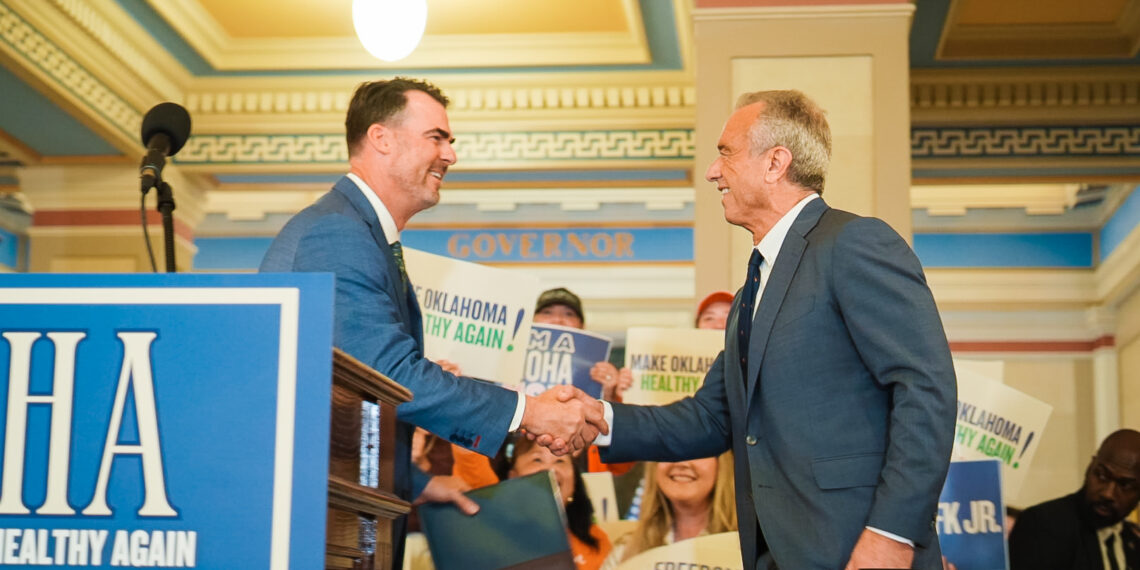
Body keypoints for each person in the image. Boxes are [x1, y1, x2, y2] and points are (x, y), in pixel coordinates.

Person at [585, 90, 957, 569]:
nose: (712, 171)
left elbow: (926, 388)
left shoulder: (855, 243)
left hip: (858, 551)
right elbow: (709, 419)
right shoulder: (749, 294)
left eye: (725, 153)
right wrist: (598, 418)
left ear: (775, 162)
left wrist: (892, 536)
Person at [259, 77, 607, 565]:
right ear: (381, 138)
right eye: (436, 137)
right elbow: (387, 377)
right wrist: (531, 412)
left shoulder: (360, 235)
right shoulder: (340, 233)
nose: (450, 155)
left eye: (450, 141)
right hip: (321, 526)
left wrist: (420, 484)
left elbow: (348, 402)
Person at [1008, 429, 1140, 570]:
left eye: (1125, 485)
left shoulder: (1132, 539)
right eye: (1101, 476)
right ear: (1091, 466)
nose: (1108, 494)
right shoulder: (1043, 524)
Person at [495, 434, 613, 570]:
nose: (550, 469)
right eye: (537, 460)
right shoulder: (494, 539)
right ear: (513, 477)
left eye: (560, 461)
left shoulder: (595, 538)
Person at [602, 452, 737, 568]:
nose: (682, 463)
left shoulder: (747, 550)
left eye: (699, 452)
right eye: (670, 450)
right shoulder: (625, 552)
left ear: (722, 465)